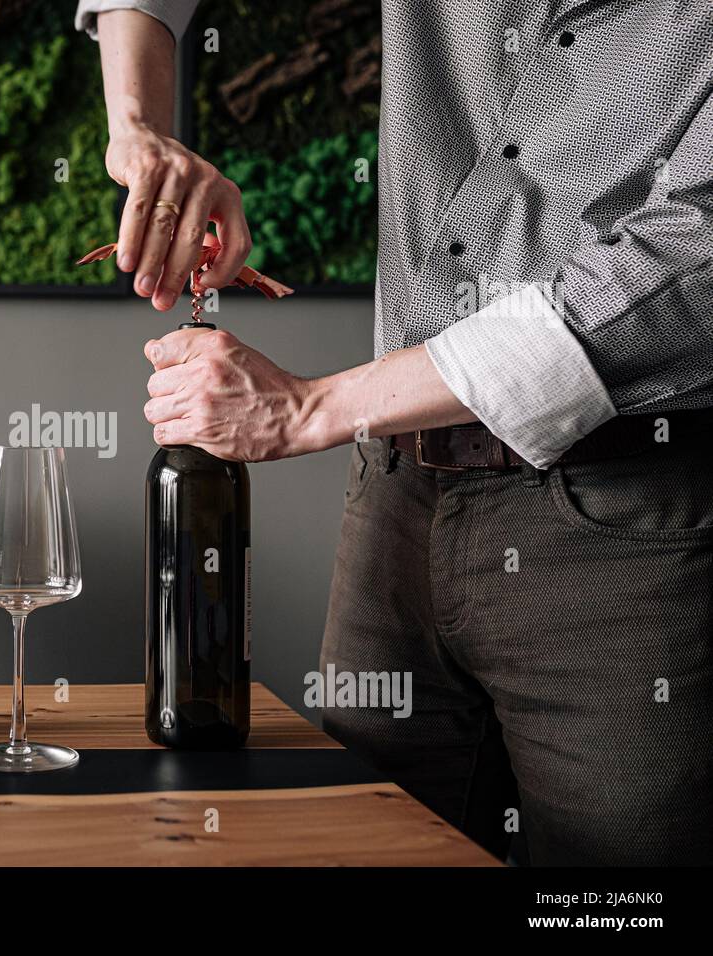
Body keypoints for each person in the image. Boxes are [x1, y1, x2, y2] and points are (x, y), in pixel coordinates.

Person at [76, 0, 713, 865]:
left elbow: (692, 254)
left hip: (629, 529)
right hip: (393, 505)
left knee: (617, 911)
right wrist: (139, 129)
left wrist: (311, 408)